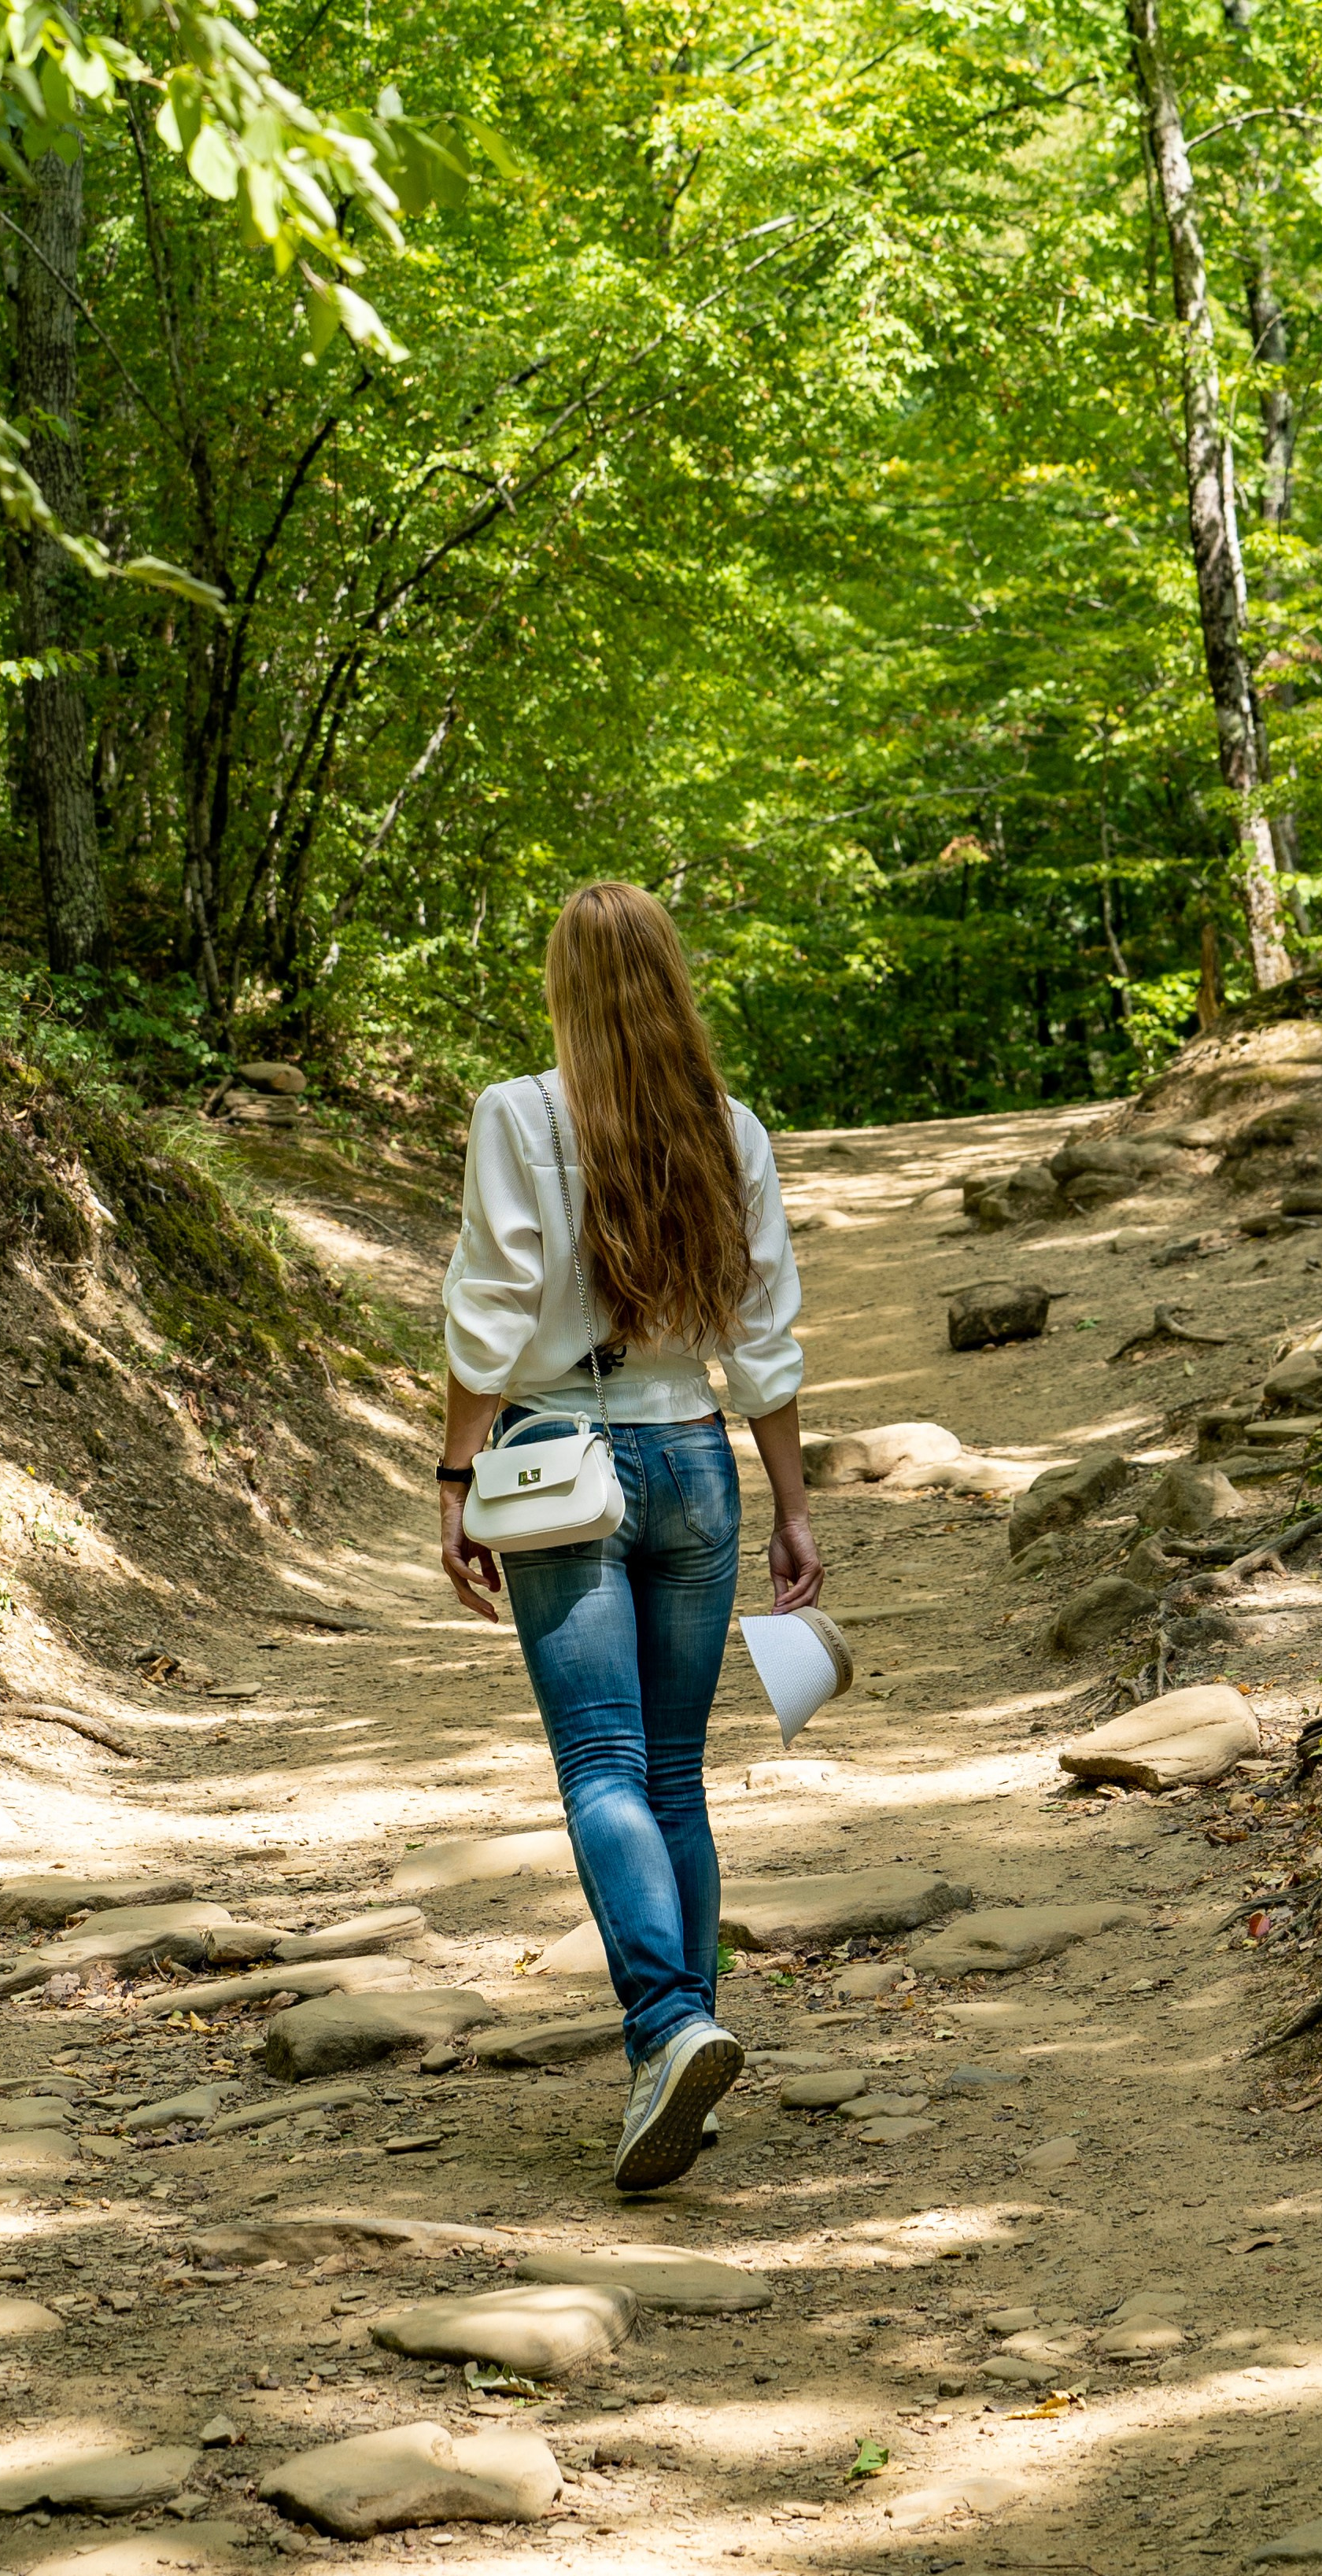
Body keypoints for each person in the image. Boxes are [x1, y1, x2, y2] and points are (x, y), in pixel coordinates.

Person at [437, 880, 822, 2192]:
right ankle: (684, 2048)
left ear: (564, 986)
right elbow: (763, 1343)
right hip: (699, 1461)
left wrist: (451, 1468)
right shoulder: (736, 1132)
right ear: (671, 984)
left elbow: (491, 1315)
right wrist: (793, 1504)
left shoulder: (519, 1114)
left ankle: (668, 2026)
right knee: (673, 1771)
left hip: (558, 1463)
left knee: (602, 1766)